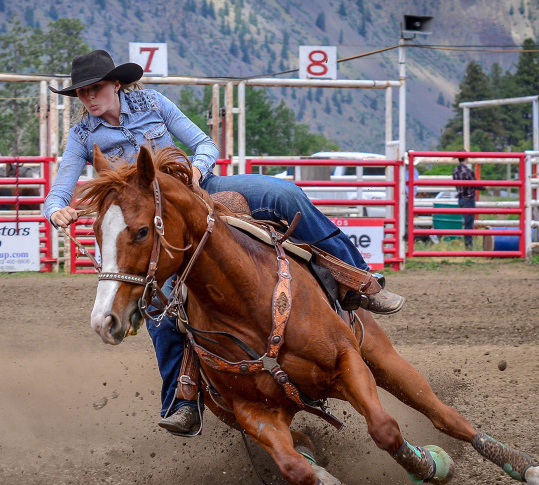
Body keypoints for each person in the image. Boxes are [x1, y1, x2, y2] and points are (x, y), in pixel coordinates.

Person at [44, 50, 406, 435]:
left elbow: (204, 145)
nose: (87, 98)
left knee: (286, 194)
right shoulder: (82, 135)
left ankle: (359, 281)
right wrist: (56, 212)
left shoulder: (151, 102)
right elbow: (58, 192)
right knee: (161, 311)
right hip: (154, 233)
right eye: (81, 93)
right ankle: (182, 399)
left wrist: (195, 174)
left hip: (196, 192)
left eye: (94, 88)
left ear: (116, 84)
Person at [452, 154, 476, 250]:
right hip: (468, 199)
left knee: (466, 223)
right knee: (468, 224)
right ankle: (469, 248)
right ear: (466, 157)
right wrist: (485, 186)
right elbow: (475, 184)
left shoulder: (455, 171)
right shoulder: (468, 171)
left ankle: (468, 246)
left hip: (460, 199)